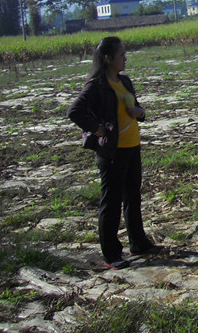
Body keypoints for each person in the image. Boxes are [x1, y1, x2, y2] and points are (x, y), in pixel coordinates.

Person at [67, 36, 159, 270]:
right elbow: (74, 111)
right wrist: (96, 127)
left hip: (132, 146)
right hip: (112, 151)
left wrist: (138, 112)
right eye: (121, 56)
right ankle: (111, 254)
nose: (125, 59)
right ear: (108, 59)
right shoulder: (97, 86)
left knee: (133, 197)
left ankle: (138, 242)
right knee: (111, 202)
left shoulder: (124, 81)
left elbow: (138, 109)